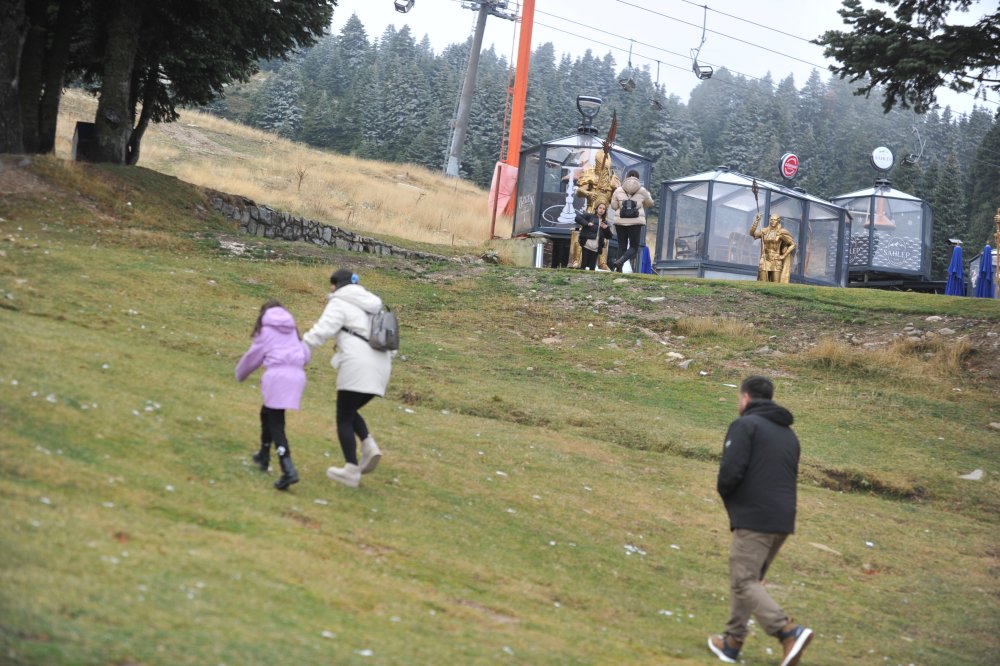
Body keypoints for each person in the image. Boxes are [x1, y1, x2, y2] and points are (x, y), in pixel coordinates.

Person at [708, 376, 813, 666]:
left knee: (743, 580)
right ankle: (732, 642)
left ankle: (788, 631)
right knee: (749, 580)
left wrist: (728, 497)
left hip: (755, 518)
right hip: (782, 520)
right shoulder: (789, 434)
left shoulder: (745, 426)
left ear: (745, 399)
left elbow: (730, 472)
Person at [303, 269, 392, 488]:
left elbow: (321, 331)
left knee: (343, 415)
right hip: (382, 366)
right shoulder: (374, 305)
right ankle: (369, 446)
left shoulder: (339, 302)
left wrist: (300, 349)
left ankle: (351, 470)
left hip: (357, 363)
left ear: (336, 285)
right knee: (350, 410)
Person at [235, 300, 311, 491]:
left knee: (277, 422)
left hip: (277, 376)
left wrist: (240, 374)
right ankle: (263, 453)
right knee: (267, 412)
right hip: (296, 376)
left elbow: (252, 357)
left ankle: (288, 469)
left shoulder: (266, 331)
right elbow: (306, 353)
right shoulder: (292, 329)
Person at [574, 150, 620, 270]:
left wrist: (616, 189)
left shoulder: (613, 178)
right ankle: (577, 260)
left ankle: (602, 262)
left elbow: (617, 198)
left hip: (604, 212)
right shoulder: (590, 172)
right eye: (601, 166)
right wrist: (588, 193)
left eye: (605, 167)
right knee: (585, 234)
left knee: (602, 236)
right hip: (590, 210)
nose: (603, 169)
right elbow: (579, 191)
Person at [609, 169, 653, 272]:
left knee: (622, 246)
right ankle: (621, 261)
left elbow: (614, 206)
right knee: (634, 247)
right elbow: (650, 204)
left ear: (626, 177)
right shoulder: (642, 190)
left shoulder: (618, 190)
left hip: (621, 222)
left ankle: (618, 269)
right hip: (635, 222)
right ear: (638, 178)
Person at [749, 213, 797, 283]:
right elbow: (752, 233)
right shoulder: (765, 231)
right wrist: (756, 221)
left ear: (778, 221)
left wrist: (783, 256)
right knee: (762, 282)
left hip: (776, 260)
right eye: (771, 219)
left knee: (776, 284)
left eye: (774, 220)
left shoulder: (781, 232)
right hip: (765, 259)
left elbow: (793, 244)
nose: (772, 221)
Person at [575, 202, 613, 270]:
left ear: (605, 211)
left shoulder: (605, 222)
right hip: (587, 244)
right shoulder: (590, 216)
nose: (601, 210)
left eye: (604, 209)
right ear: (596, 209)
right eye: (600, 208)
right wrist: (587, 223)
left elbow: (609, 236)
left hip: (596, 247)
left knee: (592, 268)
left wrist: (606, 228)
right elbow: (577, 218)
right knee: (583, 266)